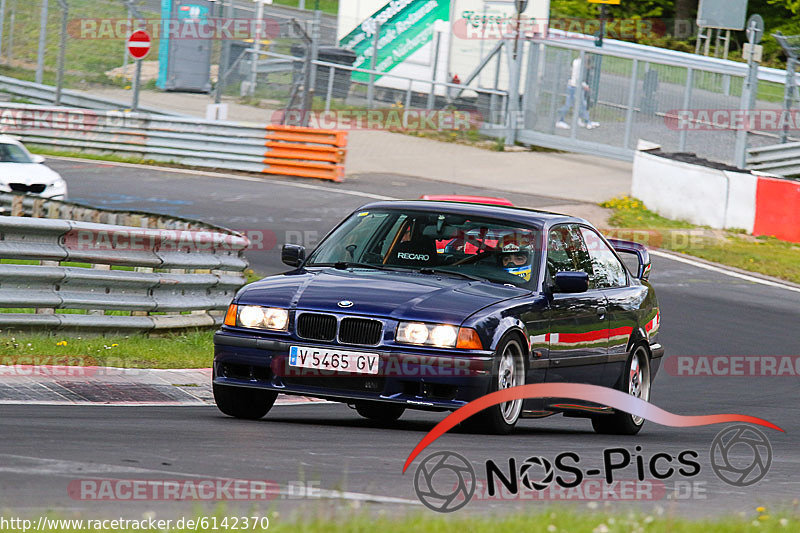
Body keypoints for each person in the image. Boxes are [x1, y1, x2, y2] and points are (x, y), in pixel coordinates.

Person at [556, 56, 600, 130]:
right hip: (575, 87)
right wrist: (585, 86)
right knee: (574, 104)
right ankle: (560, 120)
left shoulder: (577, 62)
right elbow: (577, 77)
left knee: (580, 104)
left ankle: (584, 120)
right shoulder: (580, 64)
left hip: (574, 86)